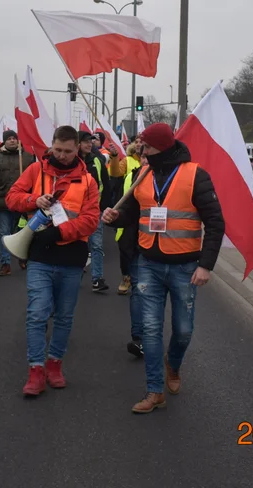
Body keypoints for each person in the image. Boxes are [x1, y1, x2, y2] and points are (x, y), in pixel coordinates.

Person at [102, 122, 226, 414]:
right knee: (150, 330)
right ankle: (154, 391)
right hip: (148, 264)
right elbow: (131, 214)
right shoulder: (143, 175)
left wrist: (205, 266)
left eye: (146, 146)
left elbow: (216, 223)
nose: (141, 150)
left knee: (183, 330)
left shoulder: (195, 175)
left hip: (185, 266)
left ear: (162, 147)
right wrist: (114, 216)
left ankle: (174, 363)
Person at [6, 125, 100, 398]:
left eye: (68, 151)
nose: (62, 155)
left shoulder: (88, 181)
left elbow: (90, 220)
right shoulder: (36, 170)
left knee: (64, 316)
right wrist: (35, 200)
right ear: (52, 144)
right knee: (37, 313)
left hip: (71, 256)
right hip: (40, 256)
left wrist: (58, 233)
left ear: (79, 149)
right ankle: (35, 370)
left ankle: (54, 364)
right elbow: (12, 198)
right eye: (58, 149)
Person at [0, 130, 36, 276]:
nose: (12, 141)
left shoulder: (27, 157)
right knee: (4, 233)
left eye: (15, 138)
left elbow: (34, 179)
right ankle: (5, 263)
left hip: (24, 202)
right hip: (3, 202)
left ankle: (22, 257)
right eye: (9, 139)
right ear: (4, 142)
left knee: (24, 232)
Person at [112, 152, 146, 357]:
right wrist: (114, 217)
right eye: (144, 156)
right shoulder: (133, 175)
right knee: (140, 291)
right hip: (135, 242)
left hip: (166, 251)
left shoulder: (173, 179)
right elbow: (128, 209)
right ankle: (139, 339)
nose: (146, 161)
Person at [78, 130, 111, 293]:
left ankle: (97, 279)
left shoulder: (97, 161)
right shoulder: (72, 161)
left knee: (97, 245)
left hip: (94, 212)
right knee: (78, 245)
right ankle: (74, 277)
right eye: (85, 141)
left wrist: (102, 207)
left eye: (90, 141)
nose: (89, 144)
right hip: (74, 213)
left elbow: (105, 184)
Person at [117, 140, 142, 295]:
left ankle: (139, 281)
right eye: (138, 142)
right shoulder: (128, 162)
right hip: (128, 216)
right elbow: (115, 173)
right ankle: (126, 277)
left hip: (145, 220)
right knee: (126, 250)